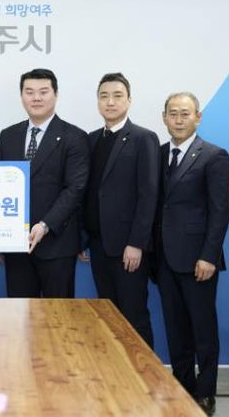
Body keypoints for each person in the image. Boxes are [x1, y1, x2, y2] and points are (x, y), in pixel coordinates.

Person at [154, 92, 229, 416]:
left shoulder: (214, 156)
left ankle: (206, 392)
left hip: (198, 259)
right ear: (164, 118)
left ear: (198, 117)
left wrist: (209, 256)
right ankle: (183, 386)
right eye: (172, 113)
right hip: (164, 258)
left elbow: (220, 212)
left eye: (185, 113)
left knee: (203, 330)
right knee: (176, 330)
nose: (178, 119)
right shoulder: (159, 154)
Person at [0, 68, 90, 297]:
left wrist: (45, 225)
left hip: (57, 244)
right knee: (19, 314)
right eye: (29, 92)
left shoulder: (74, 136)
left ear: (55, 95)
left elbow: (75, 189)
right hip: (16, 245)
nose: (36, 98)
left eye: (43, 92)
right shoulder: (8, 136)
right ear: (22, 96)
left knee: (58, 314)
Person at [83, 72, 159, 347]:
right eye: (104, 96)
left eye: (117, 96)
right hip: (98, 245)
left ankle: (144, 372)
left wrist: (136, 243)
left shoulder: (143, 138)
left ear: (129, 100)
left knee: (133, 315)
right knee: (108, 316)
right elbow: (88, 193)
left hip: (128, 248)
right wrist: (83, 239)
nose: (110, 102)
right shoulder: (91, 140)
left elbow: (148, 194)